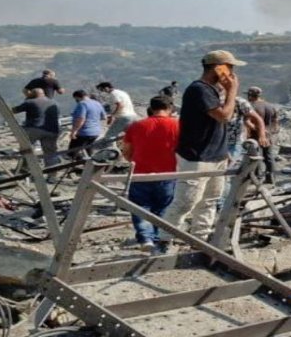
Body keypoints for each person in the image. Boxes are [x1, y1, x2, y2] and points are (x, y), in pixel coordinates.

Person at [164, 50, 244, 239]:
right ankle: (164, 237)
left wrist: (224, 151)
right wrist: (233, 91)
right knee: (186, 201)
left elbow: (218, 123)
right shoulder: (199, 89)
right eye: (229, 68)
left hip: (216, 155)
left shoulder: (213, 90)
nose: (232, 73)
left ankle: (200, 237)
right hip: (197, 155)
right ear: (218, 68)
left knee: (210, 200)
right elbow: (224, 116)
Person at [120, 96, 179, 253]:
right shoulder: (178, 125)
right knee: (163, 207)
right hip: (168, 174)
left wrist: (135, 160)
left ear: (151, 108)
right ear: (170, 108)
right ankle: (160, 238)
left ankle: (146, 238)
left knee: (140, 208)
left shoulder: (136, 126)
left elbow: (126, 151)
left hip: (140, 174)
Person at [13, 87, 60, 167]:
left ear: (32, 94)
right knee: (50, 152)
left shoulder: (30, 102)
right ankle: (52, 175)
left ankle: (26, 169)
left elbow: (14, 110)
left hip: (34, 129)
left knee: (27, 149)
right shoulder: (54, 102)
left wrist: (27, 99)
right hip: (52, 130)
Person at [247, 87, 281, 183]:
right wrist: (269, 132)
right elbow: (276, 123)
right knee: (269, 157)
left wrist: (259, 130)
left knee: (254, 157)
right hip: (268, 135)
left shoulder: (252, 106)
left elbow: (248, 122)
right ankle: (271, 178)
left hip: (254, 136)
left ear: (250, 95)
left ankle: (256, 179)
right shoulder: (270, 106)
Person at [97, 82, 138, 148]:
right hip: (132, 116)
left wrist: (112, 115)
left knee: (110, 136)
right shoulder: (122, 92)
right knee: (131, 135)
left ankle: (112, 153)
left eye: (102, 90)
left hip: (123, 117)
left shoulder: (113, 94)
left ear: (106, 87)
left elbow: (119, 105)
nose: (103, 92)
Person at [67, 90, 106, 158]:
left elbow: (81, 119)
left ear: (77, 97)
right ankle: (92, 163)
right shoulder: (97, 103)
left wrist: (74, 131)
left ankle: (79, 163)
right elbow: (104, 117)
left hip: (83, 132)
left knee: (72, 152)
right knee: (89, 149)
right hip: (95, 132)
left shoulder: (82, 104)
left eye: (76, 99)